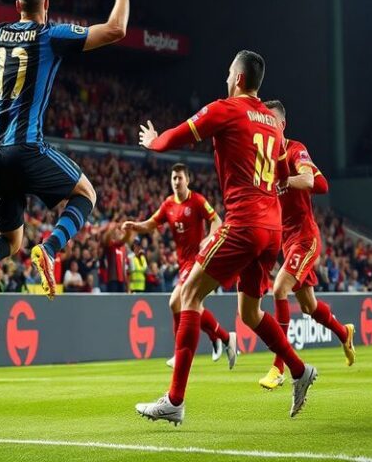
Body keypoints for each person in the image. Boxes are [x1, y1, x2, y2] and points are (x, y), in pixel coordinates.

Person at [0, 0, 131, 328]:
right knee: (86, 195)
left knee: (11, 241)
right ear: (46, 2)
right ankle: (49, 249)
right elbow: (116, 29)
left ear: (17, 4)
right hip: (26, 146)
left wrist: (4, 60)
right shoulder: (50, 34)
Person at [134, 50, 316, 424]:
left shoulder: (226, 108)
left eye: (228, 71)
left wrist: (153, 141)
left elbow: (176, 138)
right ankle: (299, 370)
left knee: (188, 294)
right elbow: (282, 174)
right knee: (249, 313)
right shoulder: (273, 123)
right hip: (272, 229)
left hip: (244, 224)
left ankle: (174, 400)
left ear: (237, 78)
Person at [257, 100, 355, 389]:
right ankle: (343, 332)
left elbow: (309, 178)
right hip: (284, 240)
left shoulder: (294, 149)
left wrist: (284, 182)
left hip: (305, 236)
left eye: (271, 120)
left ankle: (279, 367)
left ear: (282, 124)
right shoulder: (264, 157)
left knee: (279, 288)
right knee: (310, 306)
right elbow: (321, 184)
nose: (266, 124)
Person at [123, 163, 237, 369]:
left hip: (198, 261)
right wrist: (134, 226)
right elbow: (151, 223)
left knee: (176, 301)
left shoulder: (197, 201)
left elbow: (217, 220)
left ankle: (180, 353)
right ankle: (224, 337)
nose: (176, 182)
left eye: (180, 178)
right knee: (191, 306)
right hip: (183, 263)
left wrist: (209, 238)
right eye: (173, 178)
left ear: (188, 180)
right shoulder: (168, 204)